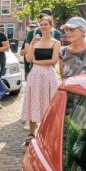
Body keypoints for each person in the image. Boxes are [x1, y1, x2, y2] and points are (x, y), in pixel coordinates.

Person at [21, 16, 61, 145]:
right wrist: (32, 43)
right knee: (34, 101)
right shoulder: (36, 41)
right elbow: (28, 59)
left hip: (49, 75)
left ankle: (47, 132)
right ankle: (31, 133)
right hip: (35, 75)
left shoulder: (56, 43)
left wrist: (37, 62)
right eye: (41, 24)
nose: (43, 27)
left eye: (46, 24)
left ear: (51, 26)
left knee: (48, 102)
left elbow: (54, 61)